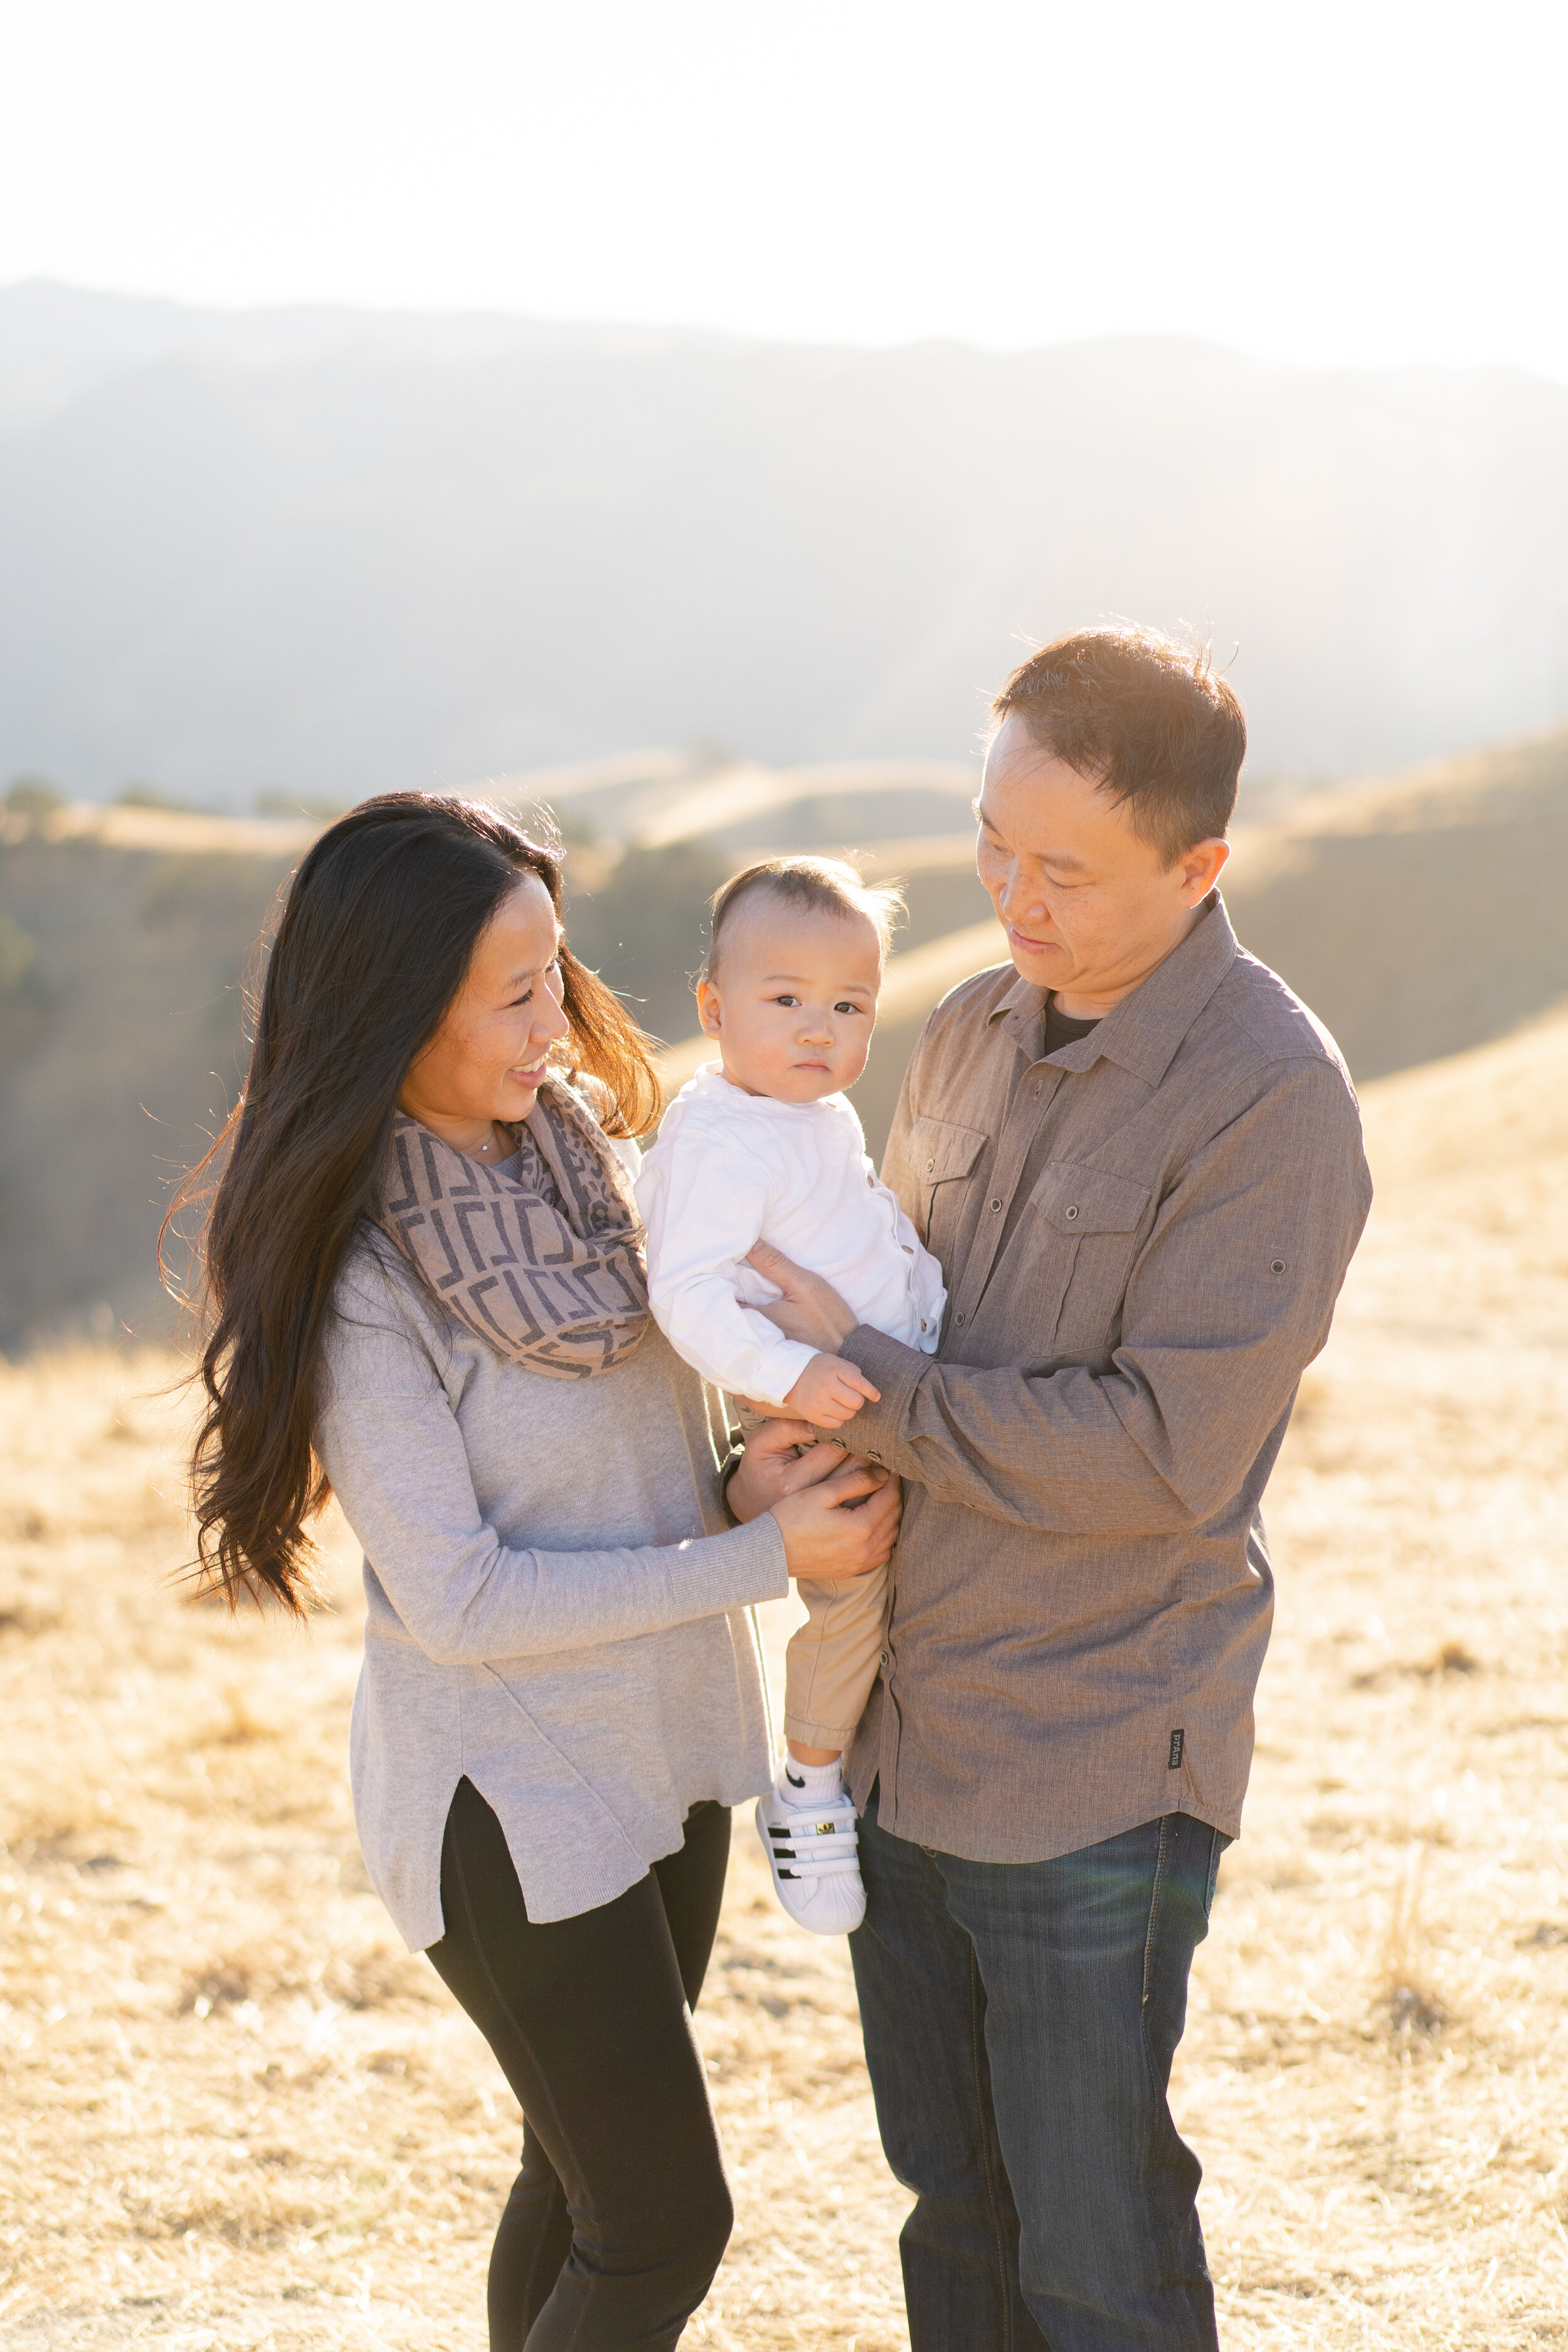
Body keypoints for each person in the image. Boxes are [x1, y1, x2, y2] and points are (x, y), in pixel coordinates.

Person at [174, 792, 900, 2352]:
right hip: (505, 1799)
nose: (554, 1024)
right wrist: (758, 1556)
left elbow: (630, 1465)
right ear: (393, 1007)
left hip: (664, 1750)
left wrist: (733, 1485)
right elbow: (463, 1599)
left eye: (555, 974)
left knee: (573, 2189)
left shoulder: (586, 1172)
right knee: (660, 2225)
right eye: (512, 995)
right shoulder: (369, 1271)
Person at [730, 628, 1374, 2351]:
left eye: (1062, 868)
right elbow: (867, 1286)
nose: (1011, 896)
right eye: (989, 844)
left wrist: (871, 1385)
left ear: (1199, 865)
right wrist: (787, 1427)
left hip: (1092, 1755)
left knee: (1093, 2246)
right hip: (901, 1734)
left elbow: (1163, 1454)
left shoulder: (1271, 1101)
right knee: (952, 2208)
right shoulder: (955, 1030)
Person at [634, 856, 946, 1935]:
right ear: (715, 1010)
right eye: (785, 1001)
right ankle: (808, 1782)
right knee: (855, 1584)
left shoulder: (812, 1113)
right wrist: (793, 1374)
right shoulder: (721, 1137)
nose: (820, 1028)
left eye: (848, 1005)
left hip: (881, 1383)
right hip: (820, 1412)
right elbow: (685, 1296)